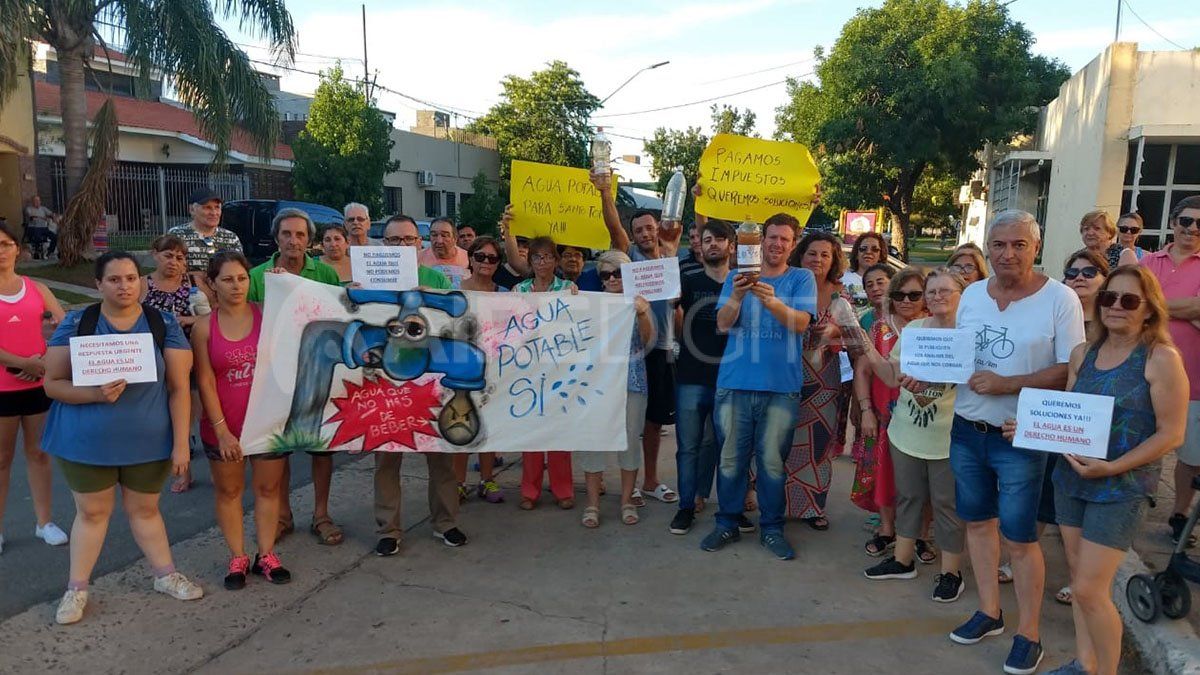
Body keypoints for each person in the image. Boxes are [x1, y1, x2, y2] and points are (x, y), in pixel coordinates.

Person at [1005, 266, 1187, 675]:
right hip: (1071, 480)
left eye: (1129, 300)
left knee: (1088, 589)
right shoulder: (1083, 354)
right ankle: (1085, 663)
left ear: (1149, 309)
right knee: (1079, 578)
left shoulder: (1160, 358)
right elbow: (1068, 416)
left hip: (1122, 487)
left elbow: (1171, 434)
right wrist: (1032, 428)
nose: (1116, 307)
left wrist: (1113, 466)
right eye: (1109, 298)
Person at [947, 210, 1085, 675]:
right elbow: (958, 356)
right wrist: (926, 375)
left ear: (1035, 247)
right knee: (977, 525)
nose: (1008, 254)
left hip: (1021, 435)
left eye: (1019, 245)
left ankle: (1030, 634)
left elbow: (1071, 367)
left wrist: (1011, 385)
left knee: (1020, 538)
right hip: (967, 428)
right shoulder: (970, 294)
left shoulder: (1059, 298)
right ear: (988, 248)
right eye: (1000, 245)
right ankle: (990, 612)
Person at [42, 251, 202, 625]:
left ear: (141, 282)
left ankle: (165, 575)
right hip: (86, 441)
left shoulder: (162, 324)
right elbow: (53, 383)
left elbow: (180, 389)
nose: (125, 286)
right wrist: (95, 394)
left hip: (148, 442)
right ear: (98, 284)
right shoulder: (80, 323)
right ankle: (76, 588)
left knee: (145, 510)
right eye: (114, 279)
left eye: (131, 278)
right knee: (93, 513)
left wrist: (182, 444)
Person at [701, 213, 816, 561]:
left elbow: (800, 324)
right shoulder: (736, 277)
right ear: (759, 241)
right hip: (734, 384)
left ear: (792, 244)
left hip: (780, 387)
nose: (777, 244)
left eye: (784, 239)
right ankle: (727, 523)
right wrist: (736, 297)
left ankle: (771, 529)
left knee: (771, 463)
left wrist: (772, 301)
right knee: (731, 461)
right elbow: (722, 324)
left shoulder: (801, 278)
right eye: (771, 237)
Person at [859, 267, 968, 603]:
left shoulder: (970, 333)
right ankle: (903, 560)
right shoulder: (916, 330)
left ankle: (951, 572)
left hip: (948, 436)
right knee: (908, 497)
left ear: (961, 295)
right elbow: (892, 377)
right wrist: (865, 345)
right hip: (906, 431)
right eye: (931, 291)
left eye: (944, 291)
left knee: (946, 505)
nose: (937, 297)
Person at [193, 251, 290, 589]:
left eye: (242, 278)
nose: (236, 286)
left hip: (267, 423)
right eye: (228, 279)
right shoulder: (205, 327)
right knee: (230, 491)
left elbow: (306, 318)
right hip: (224, 426)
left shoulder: (268, 316)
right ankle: (238, 555)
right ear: (212, 284)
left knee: (268, 489)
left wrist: (285, 285)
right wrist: (222, 432)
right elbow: (204, 381)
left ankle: (266, 553)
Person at [246, 208, 343, 546]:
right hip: (274, 373)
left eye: (300, 235)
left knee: (321, 446)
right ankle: (283, 515)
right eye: (286, 234)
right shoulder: (258, 275)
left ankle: (321, 514)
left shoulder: (326, 274)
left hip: (317, 370)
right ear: (276, 238)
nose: (293, 241)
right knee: (280, 447)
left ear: (309, 240)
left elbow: (340, 314)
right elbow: (248, 322)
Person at [373, 214, 467, 554]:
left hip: (431, 380)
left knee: (440, 456)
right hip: (384, 383)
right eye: (394, 240)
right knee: (386, 458)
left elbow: (464, 312)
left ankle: (446, 522)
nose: (401, 246)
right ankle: (389, 529)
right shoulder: (369, 280)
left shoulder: (435, 279)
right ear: (383, 245)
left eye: (408, 240)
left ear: (419, 245)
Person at [591, 170, 684, 505]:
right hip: (629, 348)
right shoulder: (629, 256)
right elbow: (613, 226)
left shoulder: (671, 255)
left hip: (662, 349)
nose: (645, 233)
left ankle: (650, 480)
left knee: (654, 421)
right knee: (615, 415)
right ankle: (600, 481)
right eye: (638, 230)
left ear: (658, 228)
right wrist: (605, 192)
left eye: (649, 228)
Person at [0, 222, 68, 555]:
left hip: (37, 384)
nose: (1, 250)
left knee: (39, 454)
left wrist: (40, 359)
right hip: (2, 388)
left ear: (17, 248)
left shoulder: (36, 288)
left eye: (6, 243)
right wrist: (19, 362)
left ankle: (44, 522)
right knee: (2, 458)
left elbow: (63, 324)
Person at [1137, 196, 1200, 547]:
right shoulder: (1149, 262)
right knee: (1141, 441)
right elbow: (1135, 301)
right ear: (1173, 222)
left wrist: (1153, 305)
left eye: (1198, 224)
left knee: (1189, 455)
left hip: (1193, 377)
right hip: (1143, 369)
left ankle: (1178, 513)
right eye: (1186, 221)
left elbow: (1147, 305)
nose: (1191, 229)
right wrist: (1186, 310)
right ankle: (1135, 501)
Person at [579, 249, 655, 528]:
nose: (612, 279)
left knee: (630, 440)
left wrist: (644, 313)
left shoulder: (638, 303)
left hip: (631, 382)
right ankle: (592, 503)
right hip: (596, 384)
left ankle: (625, 500)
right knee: (592, 440)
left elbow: (648, 343)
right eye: (606, 274)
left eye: (618, 273)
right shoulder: (590, 304)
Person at [855, 267, 927, 558]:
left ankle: (922, 535)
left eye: (914, 294)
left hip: (923, 418)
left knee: (923, 478)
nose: (906, 300)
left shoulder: (936, 329)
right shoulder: (877, 328)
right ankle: (886, 529)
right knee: (881, 471)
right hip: (883, 415)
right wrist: (865, 411)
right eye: (899, 295)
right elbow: (862, 372)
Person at [670, 219, 735, 535]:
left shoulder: (743, 282)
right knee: (688, 446)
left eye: (719, 239)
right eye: (707, 239)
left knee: (726, 447)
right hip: (691, 376)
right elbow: (668, 300)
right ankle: (685, 507)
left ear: (731, 246)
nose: (712, 244)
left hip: (730, 378)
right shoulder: (687, 276)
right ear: (700, 244)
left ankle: (728, 509)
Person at [784, 231, 850, 529]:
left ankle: (812, 507)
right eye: (812, 253)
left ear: (834, 260)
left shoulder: (839, 293)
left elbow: (855, 336)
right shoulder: (789, 283)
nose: (818, 259)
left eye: (825, 254)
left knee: (818, 443)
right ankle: (772, 502)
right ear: (801, 254)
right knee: (779, 439)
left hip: (825, 378)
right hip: (785, 372)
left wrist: (837, 334)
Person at [512, 236, 577, 510]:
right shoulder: (519, 289)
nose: (542, 262)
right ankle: (530, 491)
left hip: (559, 367)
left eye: (548, 256)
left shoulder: (569, 288)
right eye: (537, 257)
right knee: (532, 431)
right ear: (530, 261)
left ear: (556, 260)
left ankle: (563, 490)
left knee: (559, 431)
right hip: (528, 368)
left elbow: (579, 323)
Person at [139, 234, 198, 493]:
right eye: (168, 255)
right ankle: (172, 467)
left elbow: (213, 316)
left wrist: (188, 321)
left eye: (180, 257)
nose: (174, 262)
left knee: (189, 415)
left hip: (192, 356)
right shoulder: (142, 284)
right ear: (155, 254)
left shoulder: (194, 282)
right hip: (155, 359)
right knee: (165, 415)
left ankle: (186, 468)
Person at [453, 235, 507, 504]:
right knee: (462, 424)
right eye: (480, 257)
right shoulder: (454, 290)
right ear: (470, 259)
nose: (486, 262)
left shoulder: (505, 294)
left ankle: (488, 480)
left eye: (493, 258)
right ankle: (459, 483)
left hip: (495, 369)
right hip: (461, 369)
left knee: (490, 426)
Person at [167, 188, 242, 298]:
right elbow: (169, 271)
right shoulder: (176, 235)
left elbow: (239, 271)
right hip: (187, 299)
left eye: (217, 207)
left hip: (223, 300)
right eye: (207, 208)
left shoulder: (231, 237)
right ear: (192, 209)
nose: (214, 213)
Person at [418, 217, 469, 287]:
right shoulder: (418, 258)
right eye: (434, 235)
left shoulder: (469, 258)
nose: (439, 241)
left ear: (455, 238)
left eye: (444, 235)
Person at [843, 231, 888, 306]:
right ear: (856, 254)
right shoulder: (843, 280)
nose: (868, 252)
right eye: (863, 249)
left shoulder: (890, 282)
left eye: (875, 249)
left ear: (881, 255)